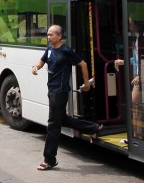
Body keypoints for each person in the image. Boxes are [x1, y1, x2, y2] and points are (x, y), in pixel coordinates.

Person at [31, 24, 100, 171]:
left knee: (53, 125)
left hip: (60, 92)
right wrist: (35, 67)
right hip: (51, 91)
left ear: (59, 36)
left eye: (51, 35)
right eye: (48, 35)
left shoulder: (66, 51)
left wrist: (86, 84)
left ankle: (49, 159)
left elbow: (83, 64)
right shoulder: (49, 49)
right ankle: (93, 128)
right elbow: (41, 61)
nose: (48, 37)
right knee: (61, 119)